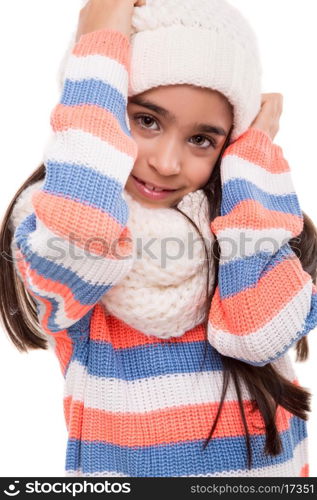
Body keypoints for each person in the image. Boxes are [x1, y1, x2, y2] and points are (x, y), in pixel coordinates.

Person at [1, 0, 317, 477]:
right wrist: (99, 47)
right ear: (104, 105)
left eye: (202, 140)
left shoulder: (249, 227)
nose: (167, 163)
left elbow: (257, 332)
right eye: (146, 120)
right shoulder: (53, 227)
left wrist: (253, 156)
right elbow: (83, 245)